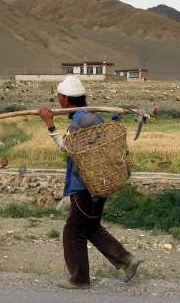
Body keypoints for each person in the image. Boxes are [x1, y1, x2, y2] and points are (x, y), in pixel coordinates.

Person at [39, 75, 140, 289]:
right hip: (98, 184)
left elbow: (68, 148)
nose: (57, 99)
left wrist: (50, 126)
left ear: (65, 99)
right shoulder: (93, 117)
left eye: (58, 96)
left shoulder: (80, 120)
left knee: (73, 232)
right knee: (91, 227)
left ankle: (80, 279)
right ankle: (126, 261)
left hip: (85, 186)